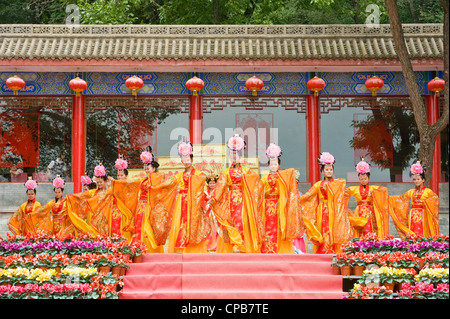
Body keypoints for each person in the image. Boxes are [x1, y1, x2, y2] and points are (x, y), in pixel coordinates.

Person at [151, 141, 209, 253]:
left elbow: (201, 189)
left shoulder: (199, 174)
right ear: (182, 161)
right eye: (184, 159)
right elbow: (167, 183)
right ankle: (181, 249)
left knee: (193, 225)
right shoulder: (178, 176)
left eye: (188, 159)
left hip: (193, 203)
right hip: (181, 202)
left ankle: (193, 250)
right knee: (179, 224)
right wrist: (155, 186)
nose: (186, 161)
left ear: (192, 160)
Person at [210, 134, 263, 253]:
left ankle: (241, 245)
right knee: (230, 221)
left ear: (240, 157)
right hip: (230, 201)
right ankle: (233, 246)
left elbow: (255, 180)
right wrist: (213, 199)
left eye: (236, 156)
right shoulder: (225, 172)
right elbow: (220, 186)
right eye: (232, 156)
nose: (234, 159)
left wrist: (244, 178)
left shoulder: (246, 171)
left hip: (243, 200)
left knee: (241, 220)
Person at [113, 148, 170, 251]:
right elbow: (131, 184)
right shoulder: (144, 180)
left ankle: (151, 248)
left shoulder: (158, 177)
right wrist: (117, 182)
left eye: (148, 168)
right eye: (145, 168)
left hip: (150, 206)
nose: (146, 170)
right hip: (141, 206)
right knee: (140, 227)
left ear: (153, 169)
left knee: (148, 228)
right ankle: (140, 248)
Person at [300, 152, 352, 254]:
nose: (329, 171)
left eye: (331, 170)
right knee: (323, 231)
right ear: (322, 171)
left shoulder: (337, 184)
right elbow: (307, 196)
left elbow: (345, 195)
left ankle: (335, 253)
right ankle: (322, 253)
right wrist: (296, 200)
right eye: (327, 170)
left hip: (335, 211)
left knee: (334, 231)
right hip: (322, 211)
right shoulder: (318, 185)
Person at [257, 143, 303, 254]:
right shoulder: (263, 179)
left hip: (279, 207)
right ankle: (268, 251)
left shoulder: (283, 178)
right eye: (271, 164)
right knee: (267, 229)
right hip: (267, 207)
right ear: (268, 165)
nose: (273, 166)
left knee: (279, 228)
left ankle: (280, 251)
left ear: (279, 165)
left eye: (275, 164)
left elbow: (290, 191)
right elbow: (257, 192)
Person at [388, 161, 439, 239]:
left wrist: (424, 202)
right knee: (413, 232)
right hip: (412, 215)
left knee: (422, 233)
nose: (416, 181)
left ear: (423, 180)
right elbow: (400, 198)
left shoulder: (428, 191)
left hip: (423, 215)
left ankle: (423, 246)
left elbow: (435, 200)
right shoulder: (411, 192)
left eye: (418, 179)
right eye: (414, 179)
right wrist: (388, 198)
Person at [344, 158, 389, 239]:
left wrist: (374, 194)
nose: (363, 180)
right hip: (359, 211)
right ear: (359, 179)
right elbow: (345, 192)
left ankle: (370, 244)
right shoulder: (355, 189)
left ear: (368, 178)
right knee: (359, 229)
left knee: (369, 228)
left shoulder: (372, 189)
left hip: (370, 212)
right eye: (361, 179)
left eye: (365, 179)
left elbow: (384, 190)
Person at [203, 173, 219, 252]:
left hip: (216, 211)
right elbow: (202, 201)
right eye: (210, 183)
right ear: (208, 184)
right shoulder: (205, 192)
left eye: (213, 183)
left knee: (216, 228)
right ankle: (209, 244)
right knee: (208, 228)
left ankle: (217, 244)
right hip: (207, 211)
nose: (212, 184)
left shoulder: (217, 192)